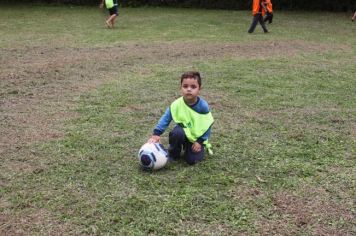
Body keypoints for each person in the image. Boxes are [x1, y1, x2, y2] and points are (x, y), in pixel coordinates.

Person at [147, 71, 214, 165]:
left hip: (196, 138)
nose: (189, 89)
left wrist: (200, 141)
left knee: (192, 160)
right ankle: (174, 153)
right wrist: (156, 133)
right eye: (185, 86)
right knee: (177, 132)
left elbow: (207, 124)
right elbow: (165, 119)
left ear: (199, 89)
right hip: (182, 132)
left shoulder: (203, 106)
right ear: (181, 88)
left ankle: (189, 149)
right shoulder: (176, 105)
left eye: (193, 87)